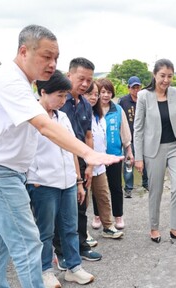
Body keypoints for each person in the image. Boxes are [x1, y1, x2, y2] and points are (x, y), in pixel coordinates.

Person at [0, 25, 120, 288]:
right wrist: (88, 153)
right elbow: (45, 127)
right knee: (27, 239)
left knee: (0, 239)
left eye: (56, 57)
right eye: (46, 56)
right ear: (24, 51)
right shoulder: (11, 79)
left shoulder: (21, 82)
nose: (52, 64)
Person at [27, 70, 95, 288]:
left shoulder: (62, 116)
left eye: (66, 95)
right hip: (43, 183)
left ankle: (73, 268)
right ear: (43, 92)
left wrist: (77, 181)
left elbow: (71, 149)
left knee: (70, 228)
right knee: (45, 231)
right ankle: (45, 270)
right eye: (59, 95)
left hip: (67, 182)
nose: (63, 100)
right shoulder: (32, 117)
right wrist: (31, 178)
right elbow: (23, 151)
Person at [134, 59, 176, 243]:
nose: (166, 80)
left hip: (175, 146)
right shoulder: (144, 96)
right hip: (153, 149)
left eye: (169, 76)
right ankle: (154, 227)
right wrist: (138, 157)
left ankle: (175, 228)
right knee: (156, 190)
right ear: (154, 75)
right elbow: (138, 128)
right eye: (162, 76)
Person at [55, 57, 102, 265]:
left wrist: (90, 166)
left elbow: (88, 136)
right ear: (69, 75)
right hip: (61, 163)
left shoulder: (85, 104)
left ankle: (82, 245)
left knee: (81, 207)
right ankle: (61, 252)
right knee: (61, 211)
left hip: (82, 162)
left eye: (89, 80)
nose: (84, 84)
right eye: (81, 79)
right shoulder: (58, 103)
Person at [84, 82, 124, 240]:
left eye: (95, 94)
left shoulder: (98, 115)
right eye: (90, 94)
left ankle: (108, 226)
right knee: (83, 201)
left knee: (103, 195)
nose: (94, 97)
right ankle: (82, 232)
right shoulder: (79, 113)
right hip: (84, 164)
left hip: (99, 164)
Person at [94, 78, 133, 230]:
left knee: (116, 187)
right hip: (98, 157)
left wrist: (128, 151)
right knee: (98, 189)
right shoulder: (92, 109)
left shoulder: (117, 110)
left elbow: (124, 132)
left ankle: (118, 216)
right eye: (102, 92)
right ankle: (98, 215)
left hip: (115, 155)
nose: (105, 95)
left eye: (109, 92)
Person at [119, 76, 148, 198]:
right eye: (133, 88)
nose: (136, 90)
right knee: (129, 163)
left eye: (138, 87)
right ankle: (128, 188)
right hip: (129, 138)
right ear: (129, 88)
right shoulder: (123, 101)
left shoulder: (145, 100)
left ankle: (146, 183)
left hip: (144, 137)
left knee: (146, 161)